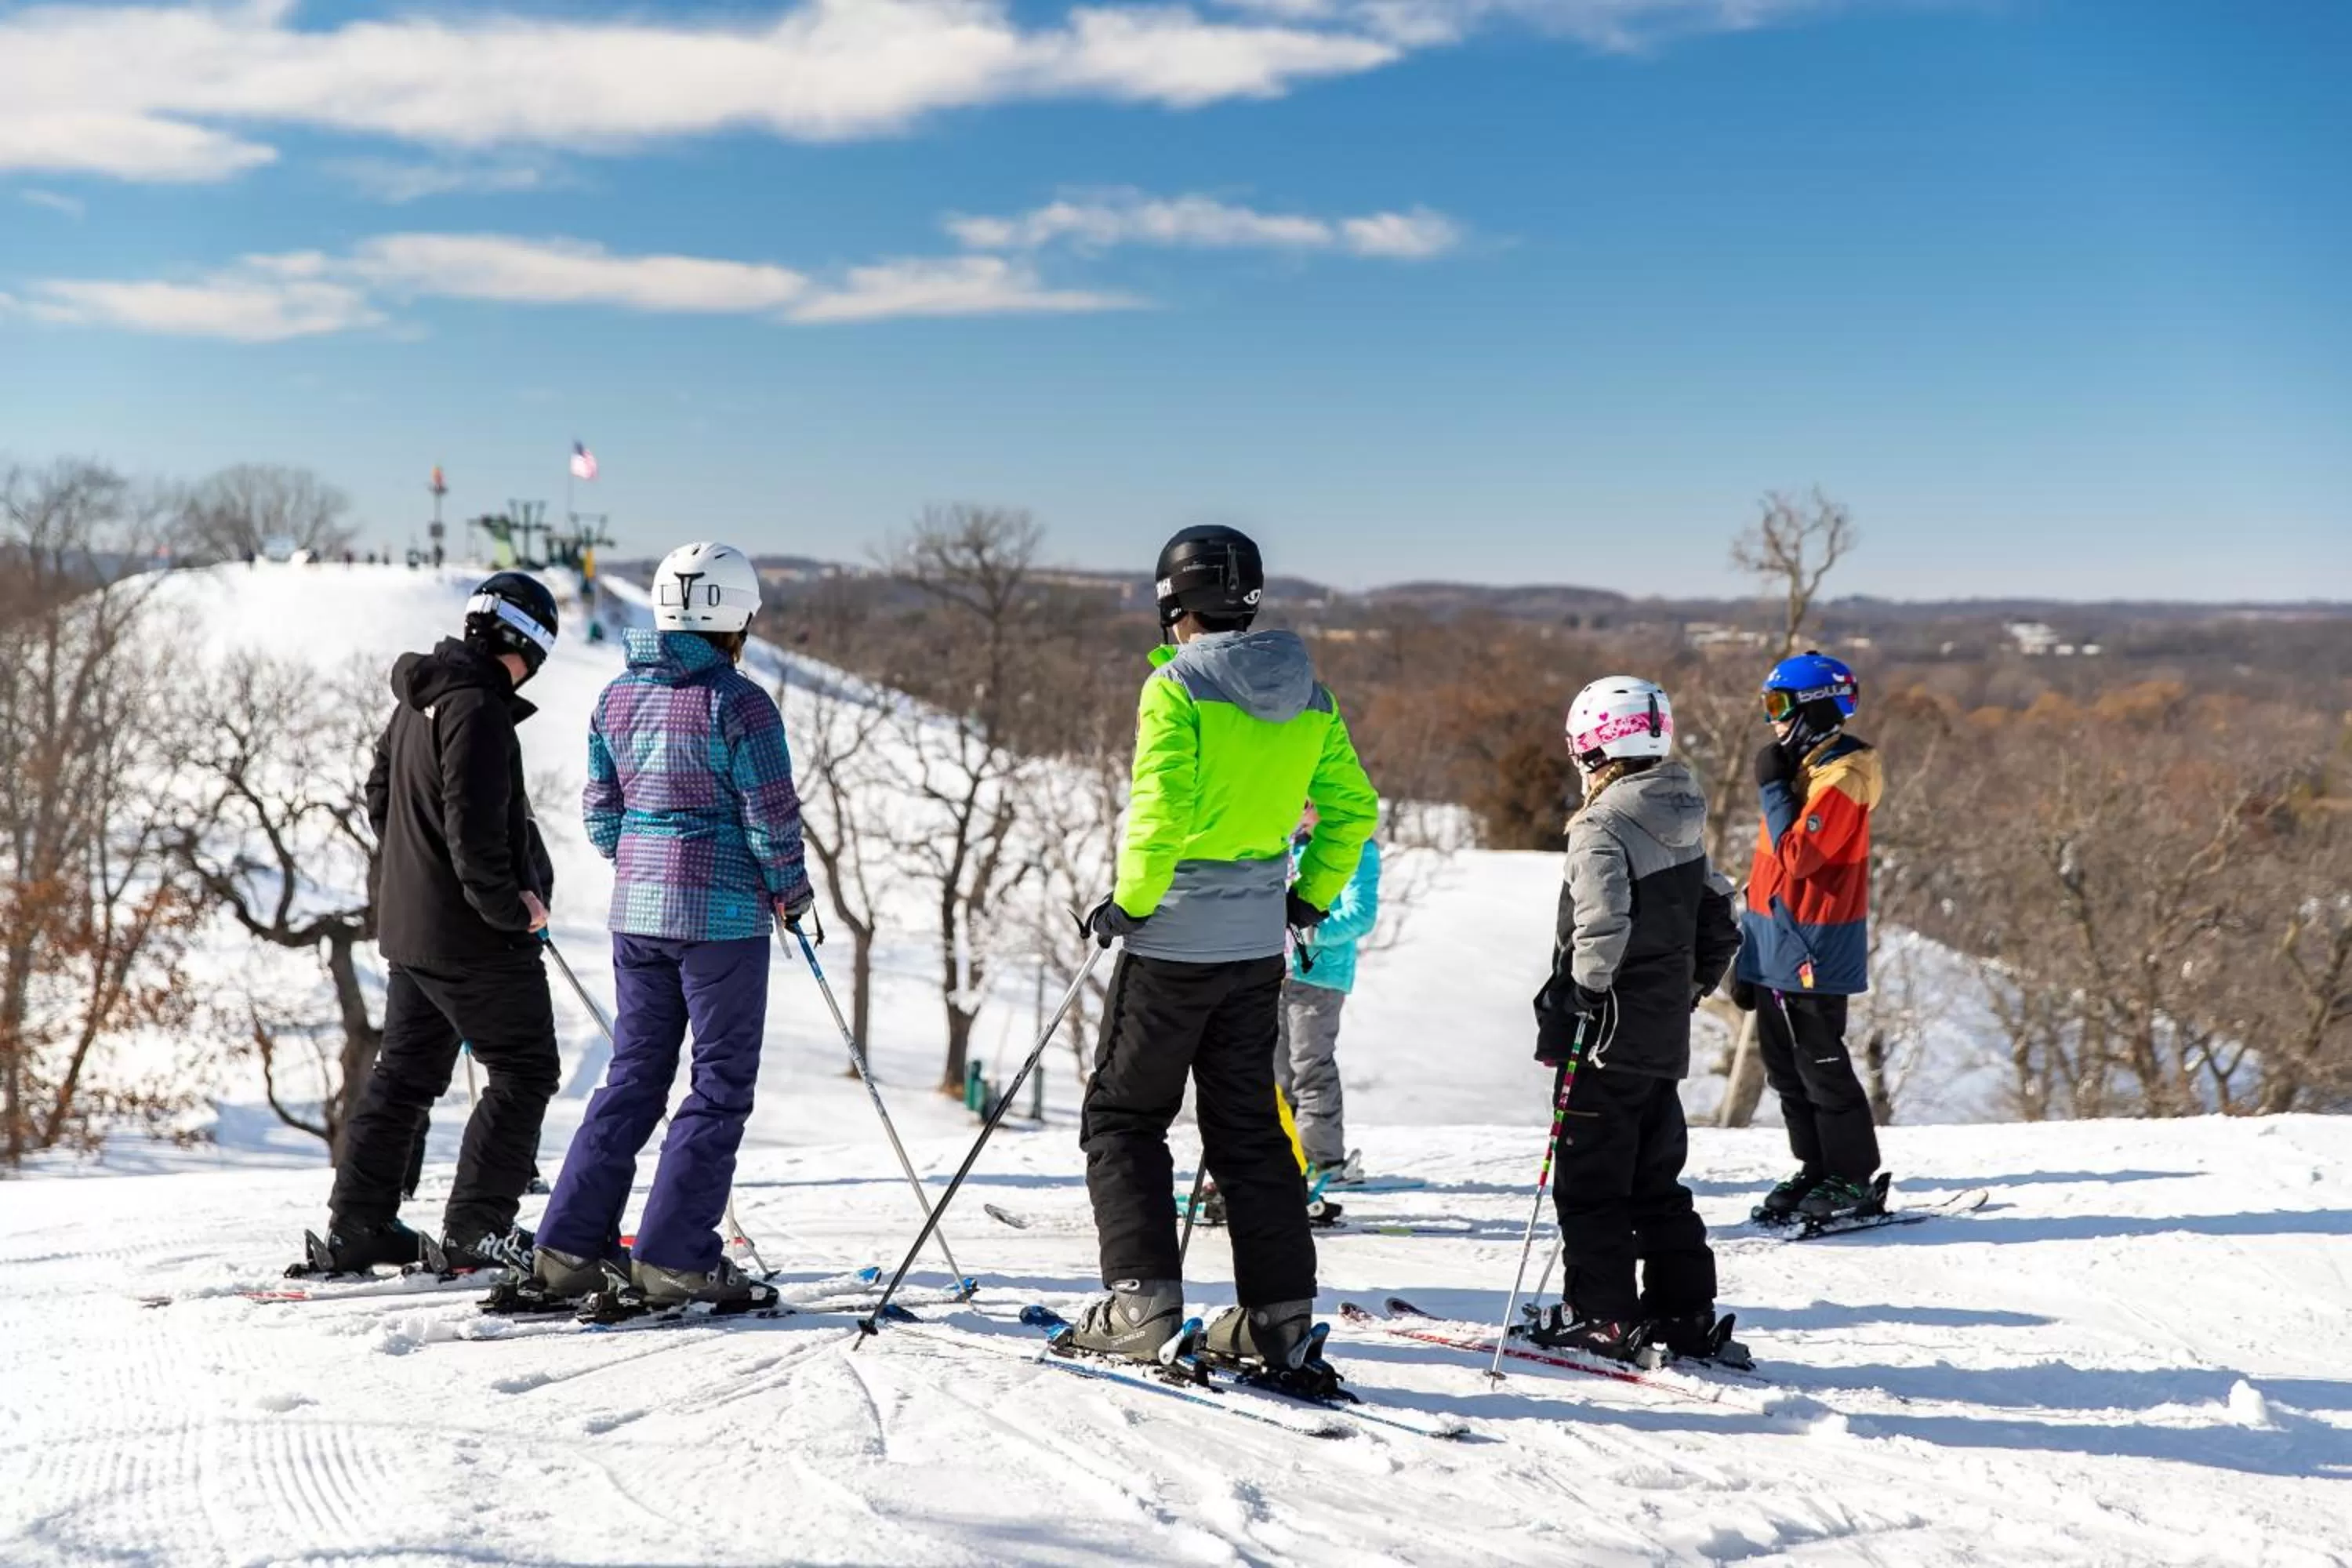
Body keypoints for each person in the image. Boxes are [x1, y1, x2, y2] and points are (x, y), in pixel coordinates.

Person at [1067, 524, 1379, 1376]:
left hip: (1171, 941)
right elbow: (1353, 807)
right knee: (1247, 1127)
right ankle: (1276, 1316)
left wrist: (1127, 905)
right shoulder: (1309, 691)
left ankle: (1138, 1303)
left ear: (1174, 604)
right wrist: (1309, 893)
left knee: (1124, 1116)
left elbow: (1159, 812)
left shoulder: (1176, 687)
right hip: (1254, 950)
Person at [525, 541, 816, 1313]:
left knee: (635, 1073)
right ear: (734, 617)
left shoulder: (614, 696)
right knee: (718, 1082)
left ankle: (566, 1246)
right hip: (720, 919)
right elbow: (770, 815)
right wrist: (791, 891)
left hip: (638, 916)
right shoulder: (740, 701)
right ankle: (675, 1255)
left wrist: (643, 864)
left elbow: (601, 810)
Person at [308, 572, 562, 1275]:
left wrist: (412, 872)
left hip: (412, 928)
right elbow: (474, 834)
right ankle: (480, 1225)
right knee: (526, 1069)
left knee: (407, 1074)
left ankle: (359, 1223)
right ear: (520, 644)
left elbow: (380, 795)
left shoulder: (418, 698)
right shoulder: (477, 707)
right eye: (534, 655)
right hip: (473, 938)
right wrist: (513, 907)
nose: (530, 671)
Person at [1526, 676, 1743, 1363]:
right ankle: (1683, 1312)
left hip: (1607, 1034)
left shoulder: (1602, 824)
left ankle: (1602, 1316)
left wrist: (1578, 1001)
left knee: (1590, 1181)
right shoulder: (1682, 809)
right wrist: (1688, 990)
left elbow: (1601, 925)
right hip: (1658, 1035)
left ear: (1594, 746)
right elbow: (1718, 919)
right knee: (1654, 1180)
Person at [1732, 650, 1887, 1225]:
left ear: (1814, 710)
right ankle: (1816, 1165)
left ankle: (1852, 1173)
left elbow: (1799, 858)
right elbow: (1768, 873)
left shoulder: (1843, 777)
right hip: (1777, 946)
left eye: (1778, 705)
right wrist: (1749, 953)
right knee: (1785, 1070)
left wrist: (1773, 789)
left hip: (1816, 948)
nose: (1771, 719)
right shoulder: (1804, 770)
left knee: (1820, 1065)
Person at [1277, 802, 1381, 1187]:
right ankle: (1287, 1157)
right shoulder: (1292, 847)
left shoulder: (1357, 849)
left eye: (1308, 802)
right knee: (1275, 1072)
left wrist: (1310, 932)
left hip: (1321, 976)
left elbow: (1361, 914)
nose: (1301, 810)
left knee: (1310, 1066)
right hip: (1279, 972)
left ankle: (1324, 1160)